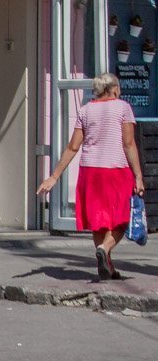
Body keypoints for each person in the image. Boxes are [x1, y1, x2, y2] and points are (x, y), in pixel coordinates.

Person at [36, 72, 144, 281]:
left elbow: (73, 146)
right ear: (114, 89)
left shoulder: (85, 110)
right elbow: (129, 144)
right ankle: (104, 248)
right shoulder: (123, 108)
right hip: (116, 170)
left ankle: (107, 267)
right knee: (122, 219)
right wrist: (138, 175)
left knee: (99, 221)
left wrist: (54, 176)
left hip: (90, 172)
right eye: (118, 88)